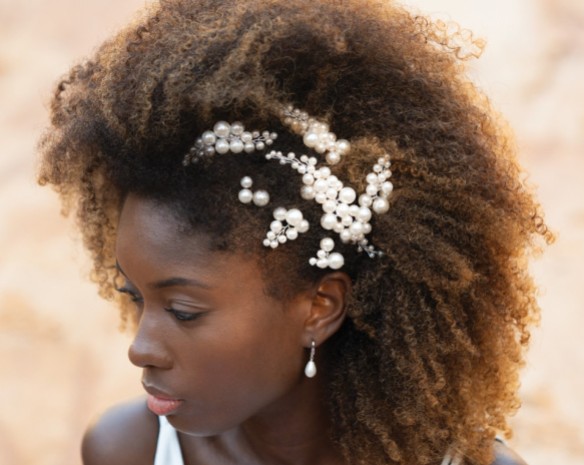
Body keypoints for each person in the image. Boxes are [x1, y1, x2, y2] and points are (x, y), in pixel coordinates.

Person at [38, 0, 552, 464]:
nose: (141, 347)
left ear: (320, 307)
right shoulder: (125, 451)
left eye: (183, 311)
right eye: (134, 297)